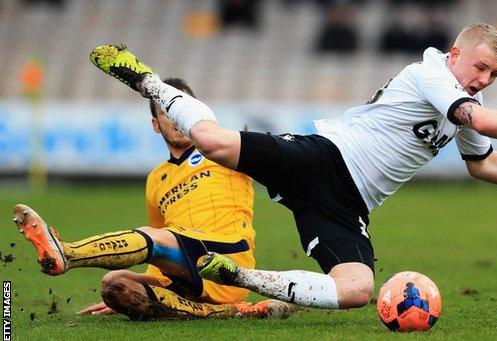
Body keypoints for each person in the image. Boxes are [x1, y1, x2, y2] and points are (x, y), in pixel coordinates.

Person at [88, 23, 497, 311]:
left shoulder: (461, 98)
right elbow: (478, 119)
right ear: (455, 54)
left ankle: (237, 276)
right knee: (212, 140)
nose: (483, 78)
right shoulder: (430, 74)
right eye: (479, 67)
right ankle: (145, 80)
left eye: (494, 74)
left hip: (347, 205)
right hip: (326, 157)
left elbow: (482, 162)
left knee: (358, 289)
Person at [12, 78, 290, 320]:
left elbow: (156, 237)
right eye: (169, 112)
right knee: (115, 285)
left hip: (227, 260)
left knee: (151, 236)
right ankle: (235, 311)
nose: (178, 119)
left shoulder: (223, 150)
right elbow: (159, 242)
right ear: (155, 125)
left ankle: (69, 253)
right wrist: (146, 291)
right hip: (185, 268)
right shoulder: (156, 178)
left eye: (183, 110)